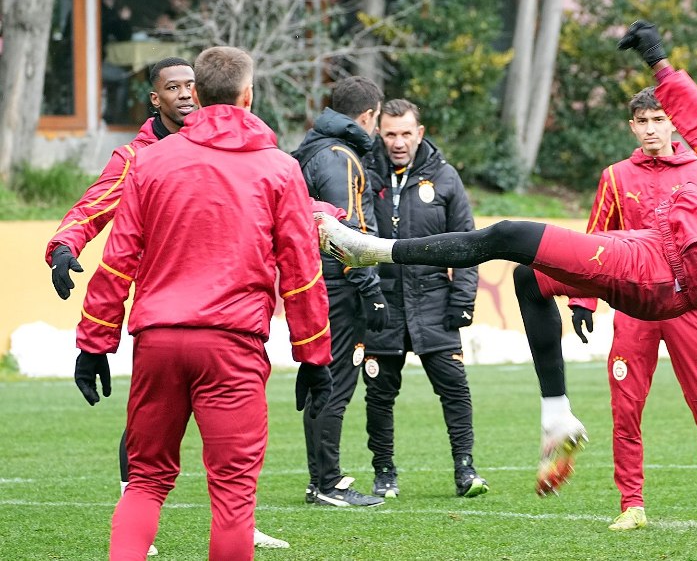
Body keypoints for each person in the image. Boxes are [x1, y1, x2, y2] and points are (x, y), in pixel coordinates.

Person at [315, 19, 697, 503]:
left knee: (510, 234)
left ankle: (371, 250)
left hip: (663, 280)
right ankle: (557, 415)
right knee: (529, 279)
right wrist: (660, 63)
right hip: (647, 246)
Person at [73, 46, 334, 560]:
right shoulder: (280, 169)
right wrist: (313, 356)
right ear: (247, 96)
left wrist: (94, 343)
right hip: (232, 344)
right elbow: (301, 272)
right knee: (233, 495)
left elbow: (119, 259)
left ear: (198, 93)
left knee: (146, 480)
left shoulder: (150, 161)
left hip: (159, 340)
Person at [568, 87, 697, 532]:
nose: (651, 129)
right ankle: (632, 506)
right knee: (626, 408)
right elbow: (594, 242)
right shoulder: (615, 177)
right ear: (632, 127)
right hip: (634, 307)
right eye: (643, 122)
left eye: (658, 120)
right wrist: (582, 299)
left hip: (687, 305)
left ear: (672, 122)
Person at [362, 99, 489, 500]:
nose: (398, 142)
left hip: (435, 301)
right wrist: (366, 296)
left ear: (420, 133)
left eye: (405, 133)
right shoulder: (364, 173)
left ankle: (465, 470)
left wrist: (462, 300)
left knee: (455, 388)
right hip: (383, 304)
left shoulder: (446, 177)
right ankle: (384, 474)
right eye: (390, 134)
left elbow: (470, 244)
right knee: (379, 394)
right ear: (379, 134)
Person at [292, 75, 389, 507]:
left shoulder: (318, 148)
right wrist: (372, 292)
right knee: (335, 382)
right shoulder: (339, 157)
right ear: (367, 116)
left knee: (322, 380)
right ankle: (328, 483)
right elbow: (345, 233)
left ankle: (320, 481)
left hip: (317, 282)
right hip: (338, 287)